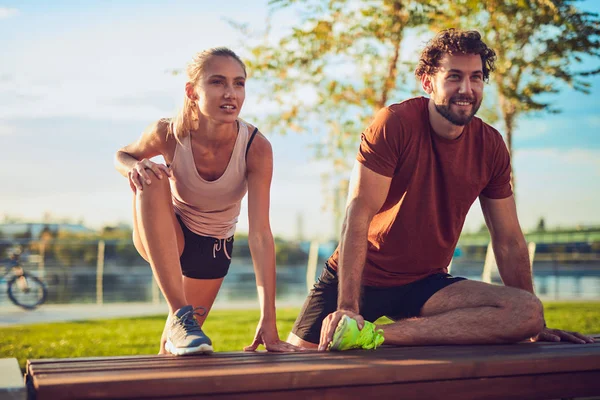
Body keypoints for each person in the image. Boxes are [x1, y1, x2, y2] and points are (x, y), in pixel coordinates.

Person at [288, 29, 595, 351]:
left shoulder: (490, 145)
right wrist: (348, 307)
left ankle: (373, 336)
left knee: (526, 310)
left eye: (476, 78)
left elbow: (508, 240)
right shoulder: (394, 123)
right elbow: (358, 214)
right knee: (296, 365)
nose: (466, 89)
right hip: (360, 274)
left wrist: (534, 328)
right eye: (454, 77)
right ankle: (356, 326)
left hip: (426, 283)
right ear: (427, 82)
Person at [115, 47, 299, 355]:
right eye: (217, 82)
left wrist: (269, 319)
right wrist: (134, 167)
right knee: (153, 174)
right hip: (166, 236)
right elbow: (123, 155)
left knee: (177, 352)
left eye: (238, 83)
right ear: (192, 91)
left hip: (211, 250)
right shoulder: (167, 132)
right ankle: (179, 314)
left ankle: (177, 329)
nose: (231, 93)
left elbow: (260, 235)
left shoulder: (256, 147)